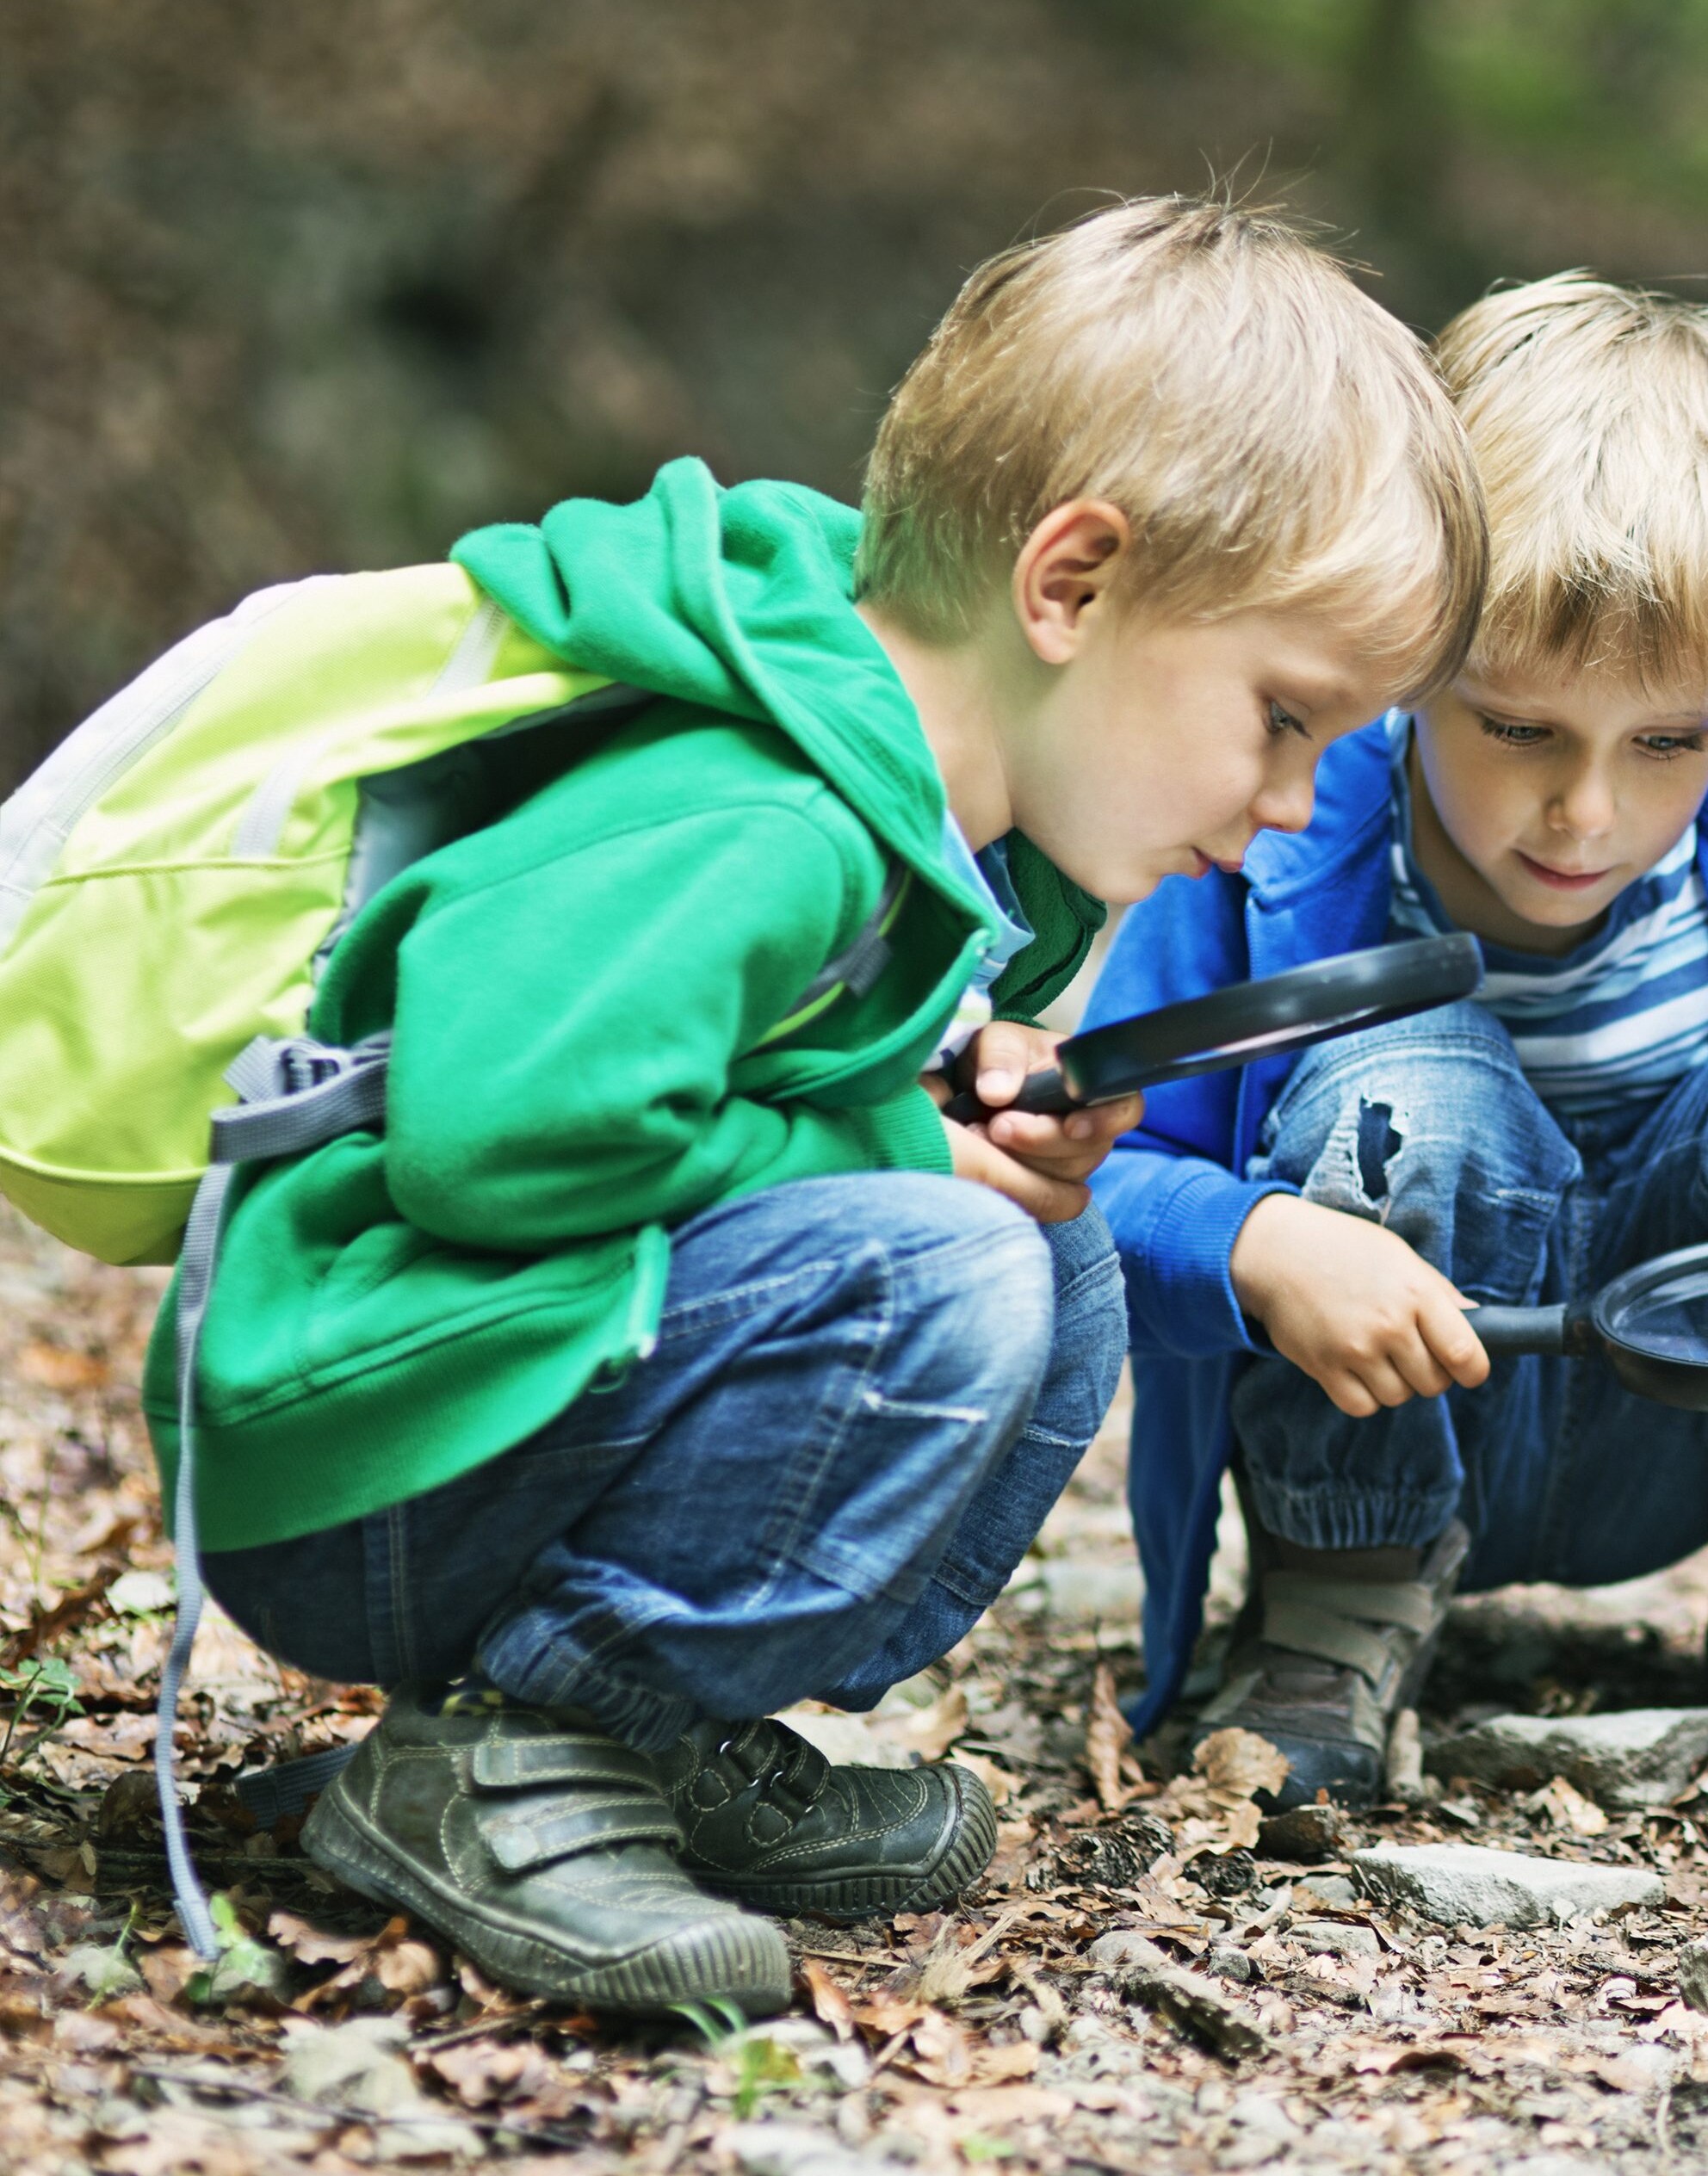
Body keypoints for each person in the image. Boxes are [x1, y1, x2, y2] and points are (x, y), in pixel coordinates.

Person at [172, 197, 1484, 2012]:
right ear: (1071, 585)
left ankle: (636, 1728)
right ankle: (509, 1755)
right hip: (363, 1459)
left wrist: (942, 1094)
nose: (1290, 803)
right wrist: (890, 1145)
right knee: (949, 1268)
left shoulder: (914, 830)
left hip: (479, 1421)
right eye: (1283, 716)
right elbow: (495, 1139)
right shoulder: (762, 811)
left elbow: (746, 1096)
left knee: (1056, 1263)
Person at [1093, 275, 1708, 1806]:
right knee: (1412, 1077)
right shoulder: (1281, 843)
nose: (1588, 813)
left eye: (1668, 741)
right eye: (1520, 729)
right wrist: (1260, 1246)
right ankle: (1340, 1598)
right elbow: (1101, 1176)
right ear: (1411, 656)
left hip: (1704, 1415)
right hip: (1395, 1404)